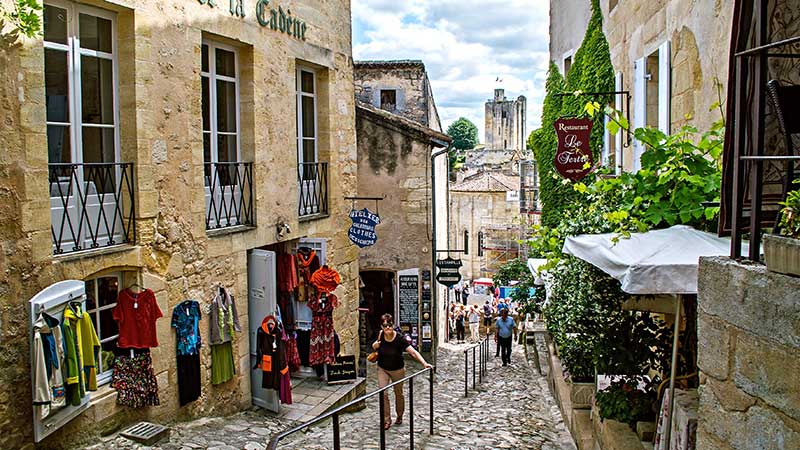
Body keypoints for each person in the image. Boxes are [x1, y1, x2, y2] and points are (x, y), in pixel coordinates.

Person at [372, 314, 432, 430]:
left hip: (397, 369)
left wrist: (424, 363)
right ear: (382, 327)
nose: (388, 328)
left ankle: (399, 415)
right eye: (385, 325)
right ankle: (386, 419)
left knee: (398, 393)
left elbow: (413, 352)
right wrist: (375, 345)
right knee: (383, 393)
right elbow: (375, 347)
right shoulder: (381, 335)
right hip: (382, 368)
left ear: (393, 325)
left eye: (390, 325)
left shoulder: (400, 339)